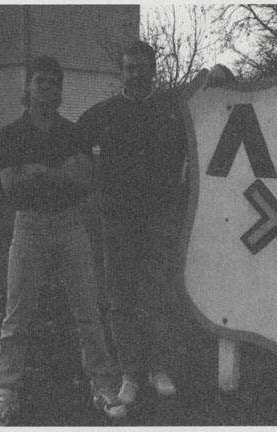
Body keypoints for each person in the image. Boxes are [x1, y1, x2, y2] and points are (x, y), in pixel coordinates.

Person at [77, 41, 233, 407]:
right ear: (122, 72)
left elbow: (215, 78)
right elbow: (73, 150)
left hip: (162, 215)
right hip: (117, 220)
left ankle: (159, 368)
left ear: (153, 70)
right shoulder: (102, 114)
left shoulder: (171, 105)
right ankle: (130, 373)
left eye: (142, 67)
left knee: (161, 294)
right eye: (129, 68)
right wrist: (90, 194)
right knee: (120, 299)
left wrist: (217, 74)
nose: (136, 74)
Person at [0, 56, 127, 426]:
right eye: (40, 81)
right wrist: (57, 174)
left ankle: (102, 386)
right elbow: (10, 186)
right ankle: (6, 394)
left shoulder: (72, 132)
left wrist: (36, 171)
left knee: (88, 312)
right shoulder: (11, 134)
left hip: (70, 225)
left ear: (60, 91)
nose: (46, 88)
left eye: (53, 82)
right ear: (28, 87)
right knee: (17, 315)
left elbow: (83, 180)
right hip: (29, 227)